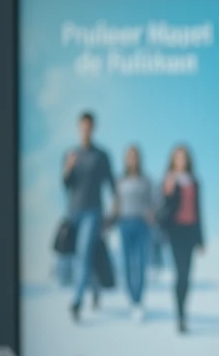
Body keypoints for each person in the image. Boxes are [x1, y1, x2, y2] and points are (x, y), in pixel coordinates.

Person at [62, 111, 116, 322]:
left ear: (93, 128)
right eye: (82, 126)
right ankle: (94, 288)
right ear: (78, 127)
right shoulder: (71, 154)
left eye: (89, 126)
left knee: (83, 254)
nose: (86, 129)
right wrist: (68, 168)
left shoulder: (101, 155)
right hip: (73, 211)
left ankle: (76, 302)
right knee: (79, 255)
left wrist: (113, 213)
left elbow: (111, 184)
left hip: (93, 212)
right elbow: (66, 185)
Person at [160, 146, 204, 334]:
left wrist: (201, 239)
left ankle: (183, 309)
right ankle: (180, 315)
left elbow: (199, 211)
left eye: (184, 157)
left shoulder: (195, 182)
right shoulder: (170, 180)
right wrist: (168, 192)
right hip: (176, 231)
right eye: (178, 157)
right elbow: (165, 208)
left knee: (187, 276)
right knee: (180, 272)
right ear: (173, 160)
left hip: (191, 231)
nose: (181, 160)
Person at [116, 145, 156, 322]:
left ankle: (139, 301)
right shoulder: (120, 181)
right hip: (124, 224)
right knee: (126, 264)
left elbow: (154, 202)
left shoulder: (146, 181)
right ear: (126, 159)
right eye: (129, 156)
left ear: (139, 159)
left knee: (139, 263)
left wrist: (151, 213)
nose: (132, 159)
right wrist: (109, 221)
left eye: (135, 156)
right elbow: (116, 204)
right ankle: (132, 299)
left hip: (141, 225)